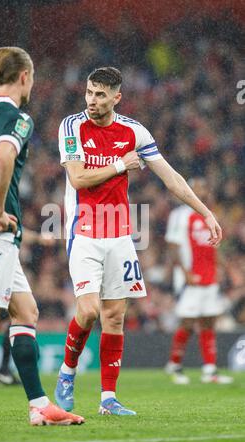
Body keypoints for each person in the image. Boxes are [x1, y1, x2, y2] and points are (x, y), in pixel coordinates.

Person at [55, 67, 222, 416]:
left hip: (119, 236)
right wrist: (119, 166)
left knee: (114, 318)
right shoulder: (71, 126)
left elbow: (171, 179)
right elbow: (78, 177)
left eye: (100, 95)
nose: (92, 101)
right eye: (89, 92)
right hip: (84, 232)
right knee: (87, 312)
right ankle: (67, 372)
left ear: (117, 97)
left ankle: (108, 399)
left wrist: (205, 212)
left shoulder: (134, 131)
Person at [0, 47, 84, 427]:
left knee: (26, 312)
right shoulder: (17, 119)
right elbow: (5, 157)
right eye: (33, 77)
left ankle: (40, 406)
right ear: (24, 76)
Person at [164, 177, 233, 384]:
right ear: (189, 189)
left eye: (204, 187)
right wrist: (184, 273)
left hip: (210, 276)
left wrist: (224, 269)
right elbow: (173, 246)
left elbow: (213, 245)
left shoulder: (209, 215)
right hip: (191, 278)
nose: (202, 191)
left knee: (209, 320)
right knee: (187, 322)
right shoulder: (180, 215)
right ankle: (174, 365)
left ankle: (210, 370)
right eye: (198, 187)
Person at [0, 230, 55, 386]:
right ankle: (0, 371)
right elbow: (17, 230)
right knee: (12, 321)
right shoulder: (2, 216)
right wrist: (39, 238)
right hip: (1, 275)